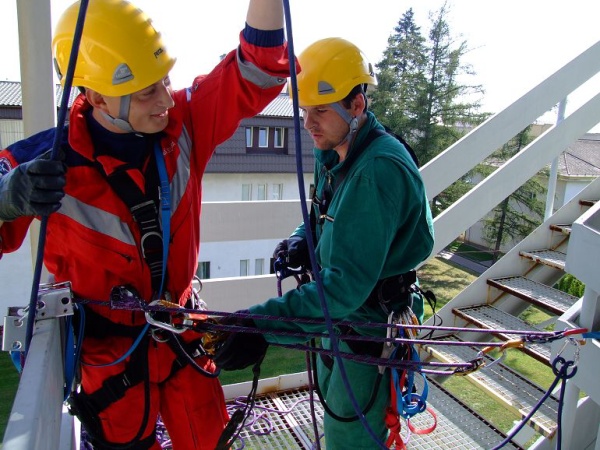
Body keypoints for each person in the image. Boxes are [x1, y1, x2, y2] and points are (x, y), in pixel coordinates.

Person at [0, 0, 292, 448]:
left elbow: (256, 70)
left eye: (165, 81)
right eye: (145, 92)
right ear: (97, 97)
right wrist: (6, 201)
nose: (165, 100)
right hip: (110, 357)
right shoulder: (44, 165)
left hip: (181, 333)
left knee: (209, 440)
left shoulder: (184, 122)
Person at [213, 37, 435, 449]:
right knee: (337, 421)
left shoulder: (376, 171)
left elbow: (343, 288)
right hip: (339, 319)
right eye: (304, 111)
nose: (307, 123)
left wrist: (261, 325)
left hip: (368, 320)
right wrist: (303, 238)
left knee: (351, 437)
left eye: (320, 110)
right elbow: (325, 212)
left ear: (356, 104)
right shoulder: (336, 150)